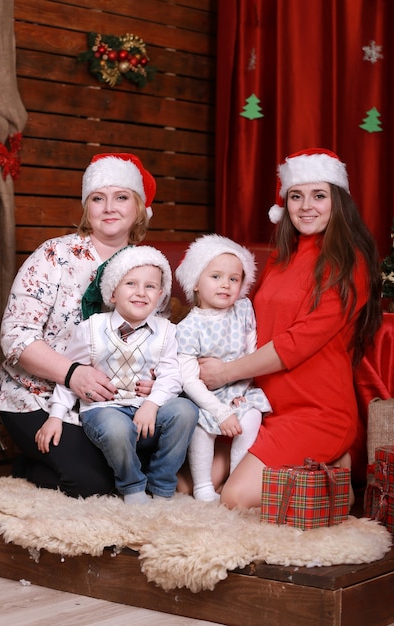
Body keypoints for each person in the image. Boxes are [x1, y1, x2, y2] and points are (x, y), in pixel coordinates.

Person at [0, 152, 198, 498]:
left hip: (113, 403)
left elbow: (155, 339)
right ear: (86, 207)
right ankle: (28, 467)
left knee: (135, 451)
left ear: (137, 207)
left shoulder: (145, 266)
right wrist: (73, 373)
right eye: (97, 198)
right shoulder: (53, 256)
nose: (109, 208)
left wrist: (152, 381)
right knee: (95, 484)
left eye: (121, 197)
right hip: (39, 396)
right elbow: (15, 337)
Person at [198, 148, 382, 509]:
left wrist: (224, 373)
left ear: (338, 201)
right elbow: (251, 324)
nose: (306, 206)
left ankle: (334, 479)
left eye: (319, 195)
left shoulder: (350, 262)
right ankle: (327, 468)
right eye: (296, 196)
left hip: (316, 410)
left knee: (234, 498)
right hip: (261, 407)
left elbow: (296, 343)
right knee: (195, 484)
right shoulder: (283, 257)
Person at [38, 245, 197, 504]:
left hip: (146, 411)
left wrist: (151, 404)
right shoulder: (91, 329)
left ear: (160, 295)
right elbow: (72, 375)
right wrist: (56, 416)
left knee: (186, 410)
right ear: (112, 293)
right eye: (131, 284)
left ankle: (161, 484)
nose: (140, 292)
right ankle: (132, 486)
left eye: (149, 287)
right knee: (117, 427)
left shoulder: (167, 331)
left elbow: (171, 376)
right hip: (105, 411)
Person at [175, 234, 271, 501]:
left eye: (234, 279)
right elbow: (189, 381)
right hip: (206, 398)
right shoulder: (188, 328)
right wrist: (219, 412)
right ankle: (203, 486)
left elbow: (252, 351)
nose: (226, 285)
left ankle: (236, 478)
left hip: (240, 389)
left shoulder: (243, 309)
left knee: (252, 417)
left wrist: (243, 387)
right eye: (215, 276)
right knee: (200, 429)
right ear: (195, 283)